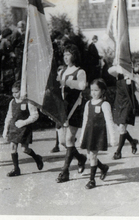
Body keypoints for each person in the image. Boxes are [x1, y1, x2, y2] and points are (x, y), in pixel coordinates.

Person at [56, 44, 87, 183]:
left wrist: (66, 81)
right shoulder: (62, 71)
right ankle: (81, 158)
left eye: (68, 54)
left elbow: (81, 86)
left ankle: (65, 171)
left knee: (69, 140)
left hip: (74, 108)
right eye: (64, 55)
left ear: (74, 55)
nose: (65, 57)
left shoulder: (80, 71)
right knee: (63, 141)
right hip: (63, 108)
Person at [2, 81, 43, 176]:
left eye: (16, 92)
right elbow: (9, 116)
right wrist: (5, 129)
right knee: (12, 146)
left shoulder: (29, 101)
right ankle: (16, 169)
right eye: (13, 92)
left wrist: (24, 122)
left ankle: (37, 158)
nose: (14, 94)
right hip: (14, 126)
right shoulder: (12, 102)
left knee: (25, 149)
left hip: (24, 128)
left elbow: (35, 116)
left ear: (22, 91)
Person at [80, 79, 115, 189]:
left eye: (96, 90)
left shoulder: (105, 104)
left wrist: (113, 137)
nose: (93, 93)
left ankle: (92, 180)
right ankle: (103, 168)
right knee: (90, 156)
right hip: (89, 133)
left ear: (102, 91)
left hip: (98, 134)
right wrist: (81, 137)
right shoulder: (88, 104)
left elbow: (109, 121)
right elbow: (85, 120)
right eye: (91, 90)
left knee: (93, 155)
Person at [108, 66, 139, 160]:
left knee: (122, 127)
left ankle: (118, 152)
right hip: (118, 103)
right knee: (121, 128)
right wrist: (119, 65)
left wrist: (136, 80)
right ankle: (132, 141)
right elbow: (109, 70)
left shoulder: (135, 76)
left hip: (128, 103)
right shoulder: (118, 74)